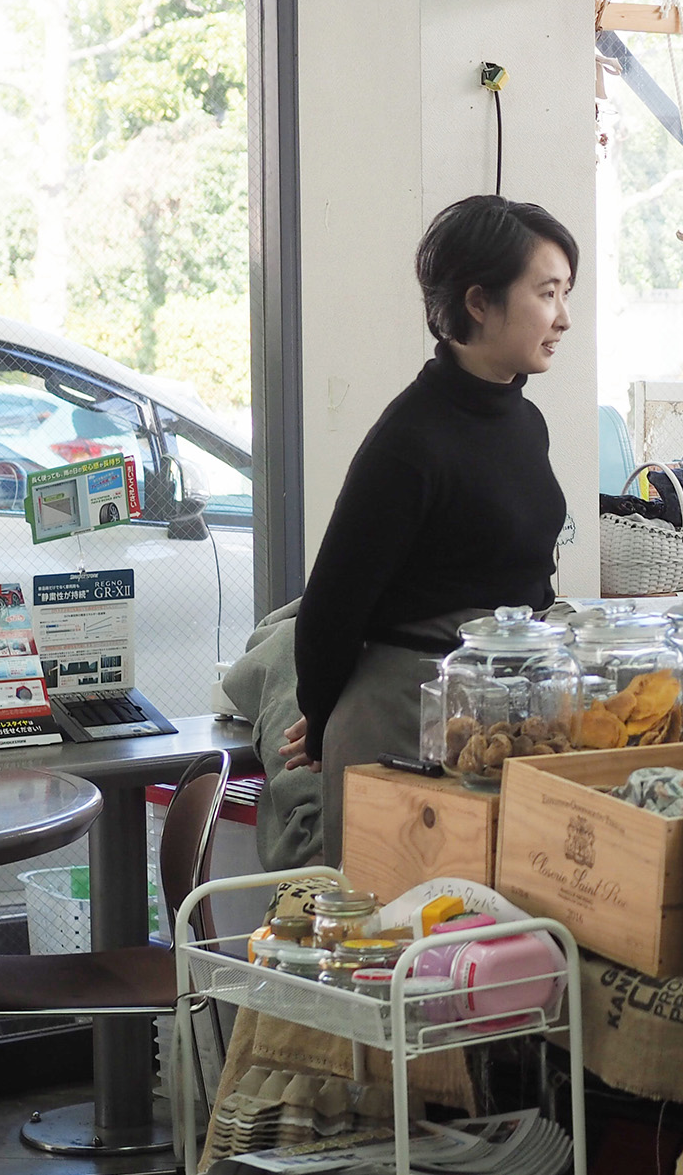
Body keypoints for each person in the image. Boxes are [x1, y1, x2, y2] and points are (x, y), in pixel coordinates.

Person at [281, 195, 576, 865]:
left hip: (507, 702)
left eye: (565, 293)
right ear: (479, 302)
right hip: (403, 717)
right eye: (547, 293)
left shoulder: (525, 421)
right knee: (399, 917)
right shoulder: (410, 438)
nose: (563, 317)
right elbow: (331, 607)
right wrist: (322, 717)